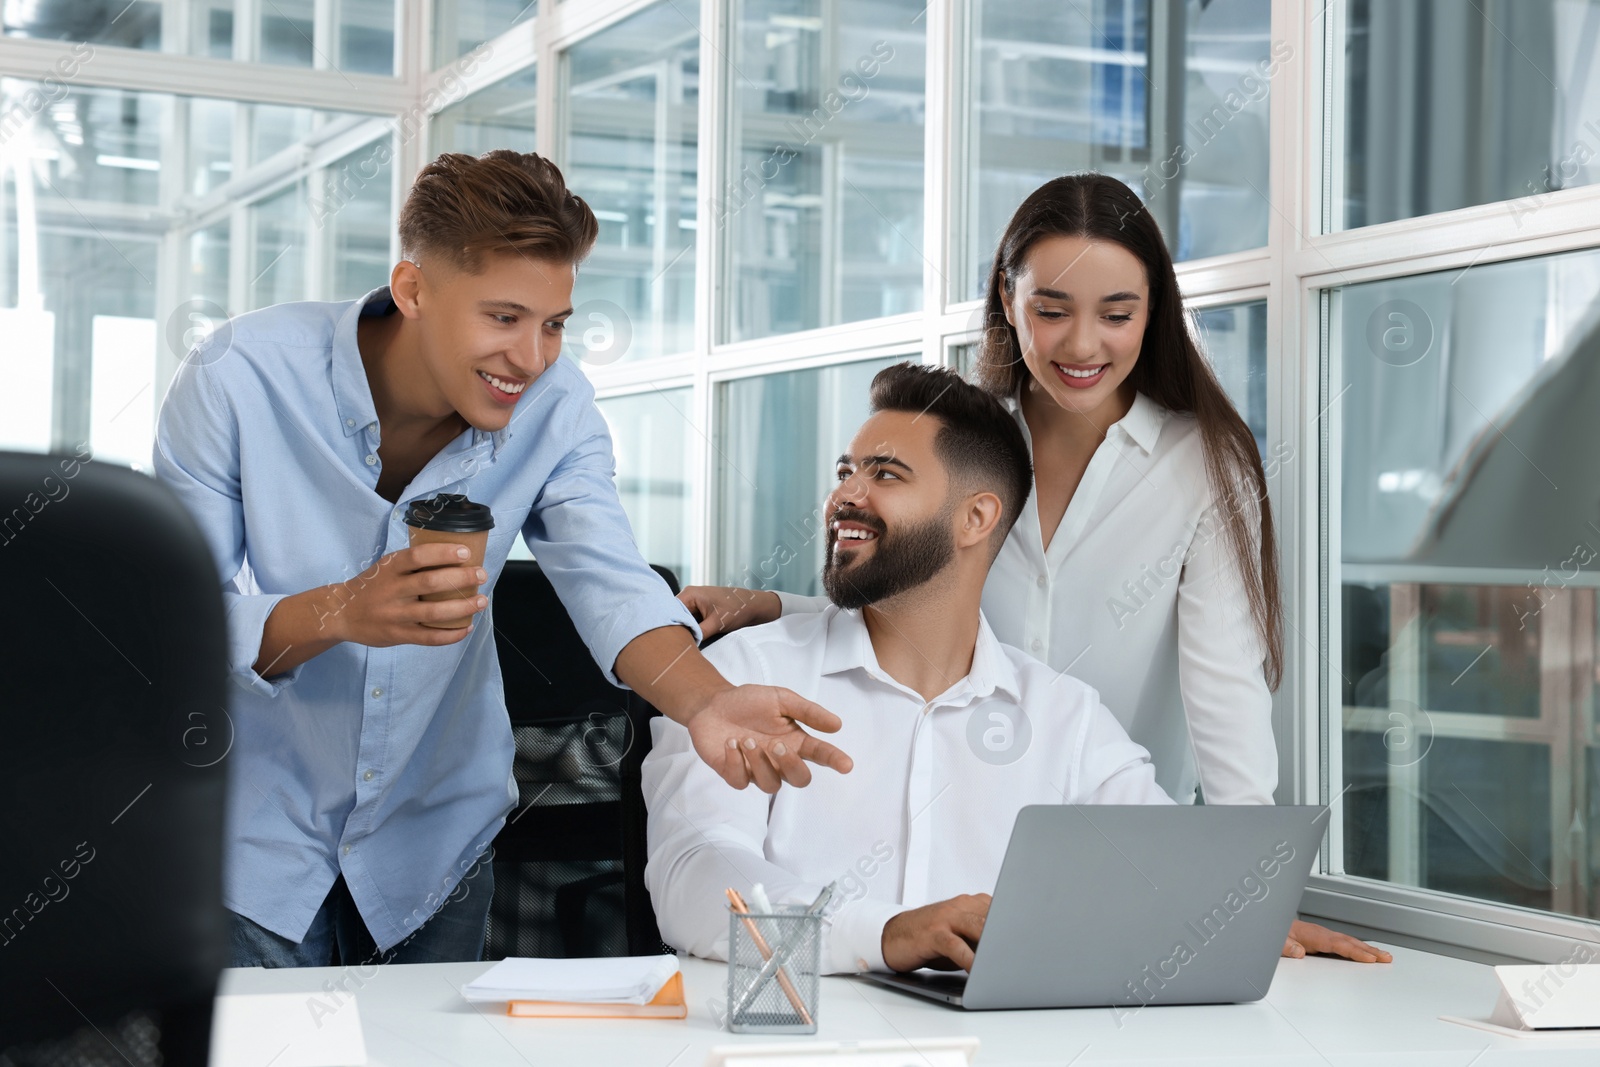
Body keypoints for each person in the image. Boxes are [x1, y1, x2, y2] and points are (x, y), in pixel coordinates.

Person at [153, 151, 851, 969]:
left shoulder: (555, 409)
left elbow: (611, 581)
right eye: (503, 317)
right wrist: (340, 610)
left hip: (432, 846)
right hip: (255, 843)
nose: (532, 356)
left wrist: (705, 702)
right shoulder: (240, 377)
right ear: (413, 290)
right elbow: (174, 619)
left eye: (554, 323)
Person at [679, 174, 1390, 964]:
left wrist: (1247, 898)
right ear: (1007, 304)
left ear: (1153, 316)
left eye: (1117, 314)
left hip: (1109, 836)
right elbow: (915, 601)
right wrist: (786, 609)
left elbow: (1227, 694)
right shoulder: (964, 444)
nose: (1083, 345)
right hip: (961, 832)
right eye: (1051, 311)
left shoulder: (1200, 465)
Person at [644, 362, 1175, 975]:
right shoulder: (739, 678)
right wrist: (885, 933)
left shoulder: (1065, 716)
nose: (845, 493)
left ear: (975, 518)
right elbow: (695, 878)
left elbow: (1164, 872)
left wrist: (1231, 918)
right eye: (845, 472)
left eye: (885, 474)